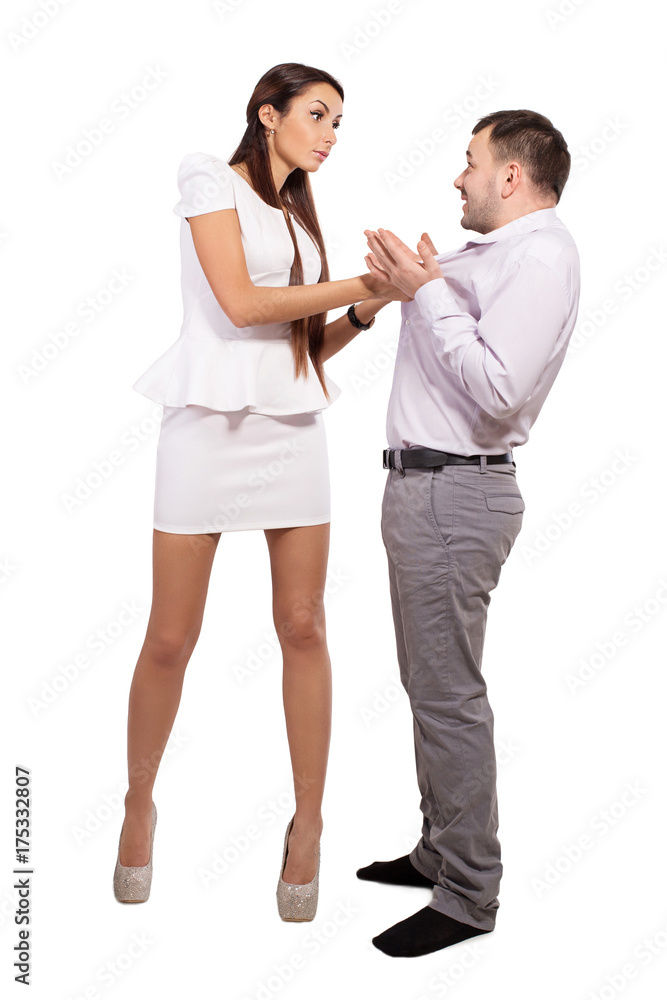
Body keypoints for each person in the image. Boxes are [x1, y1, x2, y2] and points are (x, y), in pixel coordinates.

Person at [112, 62, 404, 917]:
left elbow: (296, 351)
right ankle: (137, 804)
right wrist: (368, 282)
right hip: (204, 427)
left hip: (289, 435)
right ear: (268, 114)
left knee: (303, 625)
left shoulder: (300, 218)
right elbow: (241, 307)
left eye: (339, 122)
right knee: (170, 637)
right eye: (317, 114)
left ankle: (307, 823)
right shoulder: (209, 177)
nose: (330, 134)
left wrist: (365, 312)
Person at [356, 109, 581, 956]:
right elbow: (441, 316)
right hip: (425, 491)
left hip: (454, 494)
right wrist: (419, 281)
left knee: (448, 695)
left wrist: (426, 291)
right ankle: (438, 851)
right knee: (429, 687)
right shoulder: (493, 254)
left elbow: (496, 388)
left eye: (470, 160)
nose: (458, 176)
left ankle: (467, 894)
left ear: (511, 176)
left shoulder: (541, 256)